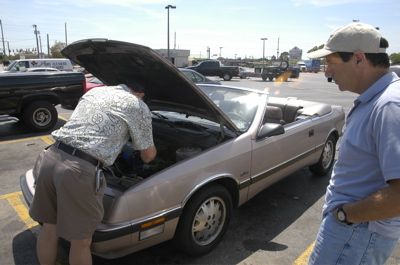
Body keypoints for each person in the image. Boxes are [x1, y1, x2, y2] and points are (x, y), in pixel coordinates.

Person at [29, 82, 157, 265]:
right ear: (142, 94)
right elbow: (148, 155)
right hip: (78, 171)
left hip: (51, 156)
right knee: (81, 241)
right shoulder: (138, 105)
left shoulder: (96, 91)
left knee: (49, 229)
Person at [306, 22, 400, 265]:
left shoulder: (389, 105)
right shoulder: (376, 99)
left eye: (331, 63)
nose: (327, 72)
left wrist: (344, 215)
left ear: (359, 59)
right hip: (353, 230)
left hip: (356, 232)